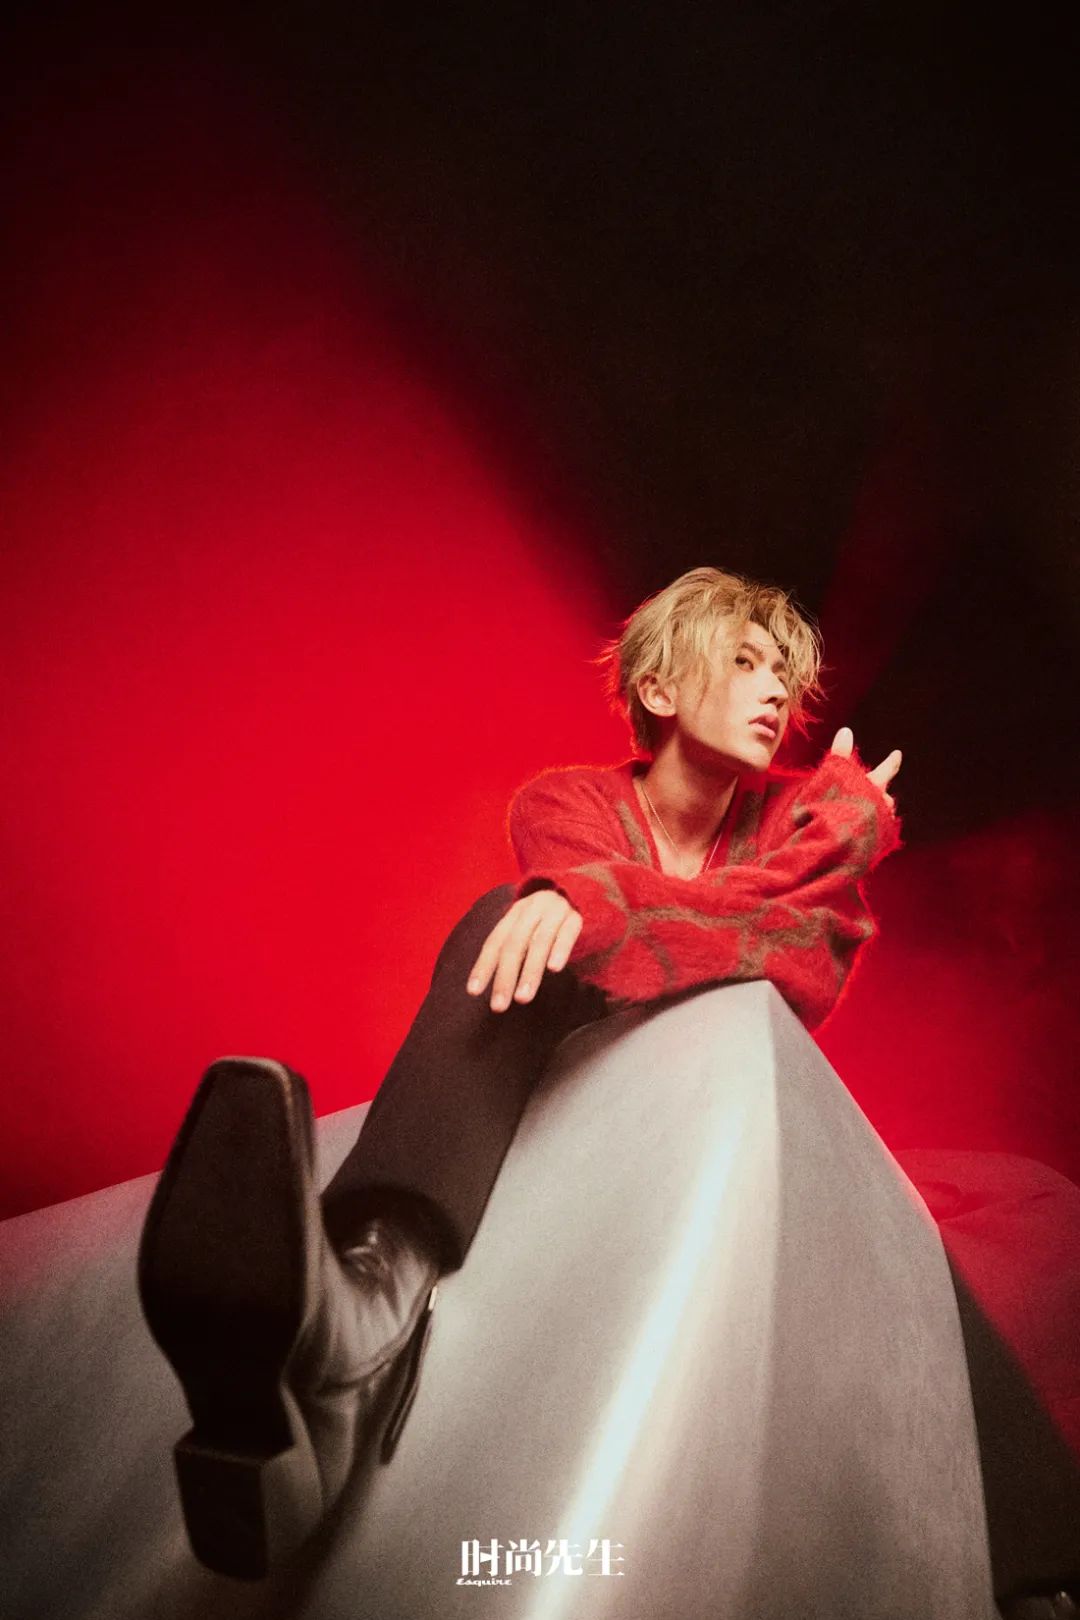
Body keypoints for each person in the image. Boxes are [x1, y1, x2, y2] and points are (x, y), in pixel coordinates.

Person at [137, 565, 903, 1582]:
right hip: (565, 1105)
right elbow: (757, 927)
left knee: (559, 918)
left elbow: (802, 966)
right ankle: (366, 1303)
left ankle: (336, 1381)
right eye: (745, 662)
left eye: (784, 677)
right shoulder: (569, 801)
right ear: (661, 690)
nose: (775, 693)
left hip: (702, 1151)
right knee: (503, 919)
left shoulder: (794, 817)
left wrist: (622, 902)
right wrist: (805, 865)